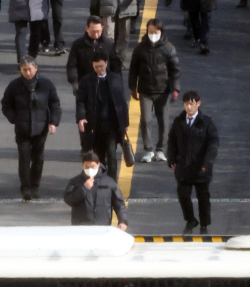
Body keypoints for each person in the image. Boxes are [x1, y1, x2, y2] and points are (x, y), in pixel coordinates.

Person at [1, 56, 62, 200]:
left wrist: (53, 122)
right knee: (24, 157)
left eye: (30, 69)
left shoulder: (46, 84)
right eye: (24, 70)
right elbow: (6, 104)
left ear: (36, 68)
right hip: (22, 128)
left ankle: (35, 185)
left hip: (41, 128)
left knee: (38, 158)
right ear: (20, 70)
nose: (28, 73)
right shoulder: (14, 86)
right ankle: (25, 187)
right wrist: (14, 119)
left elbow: (55, 105)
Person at [129, 18, 180, 163]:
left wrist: (175, 88)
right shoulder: (140, 49)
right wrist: (132, 87)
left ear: (161, 32)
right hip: (145, 90)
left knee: (162, 120)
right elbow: (133, 69)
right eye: (150, 31)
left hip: (162, 91)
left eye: (155, 32)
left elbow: (175, 70)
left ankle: (160, 149)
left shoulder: (168, 48)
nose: (153, 34)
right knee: (145, 120)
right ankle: (148, 149)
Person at [167, 91, 219, 235]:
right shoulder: (179, 122)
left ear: (198, 103)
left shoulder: (206, 123)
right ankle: (190, 220)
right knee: (183, 195)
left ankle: (204, 225)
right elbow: (171, 140)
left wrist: (207, 162)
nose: (188, 107)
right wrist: (171, 158)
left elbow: (213, 144)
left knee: (203, 198)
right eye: (186, 104)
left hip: (201, 168)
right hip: (184, 167)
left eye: (191, 103)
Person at [76, 51, 129, 182]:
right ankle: (99, 179)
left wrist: (125, 123)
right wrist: (81, 117)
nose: (99, 69)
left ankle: (112, 182)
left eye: (101, 66)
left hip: (111, 125)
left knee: (112, 154)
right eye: (96, 67)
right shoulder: (87, 81)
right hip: (94, 126)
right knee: (97, 156)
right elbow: (80, 101)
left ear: (106, 62)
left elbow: (122, 102)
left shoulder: (115, 79)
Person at [63, 152, 128, 230]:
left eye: (92, 166)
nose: (90, 169)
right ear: (83, 165)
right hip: (80, 228)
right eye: (87, 167)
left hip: (102, 228)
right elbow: (69, 200)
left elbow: (119, 204)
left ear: (98, 165)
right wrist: (83, 189)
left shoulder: (109, 182)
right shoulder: (75, 182)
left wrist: (123, 221)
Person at [66, 16, 122, 96]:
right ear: (87, 29)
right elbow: (72, 66)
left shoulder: (108, 45)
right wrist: (74, 83)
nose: (96, 34)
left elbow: (116, 66)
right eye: (93, 32)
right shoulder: (78, 45)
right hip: (85, 86)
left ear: (102, 28)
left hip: (105, 86)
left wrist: (116, 83)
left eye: (98, 31)